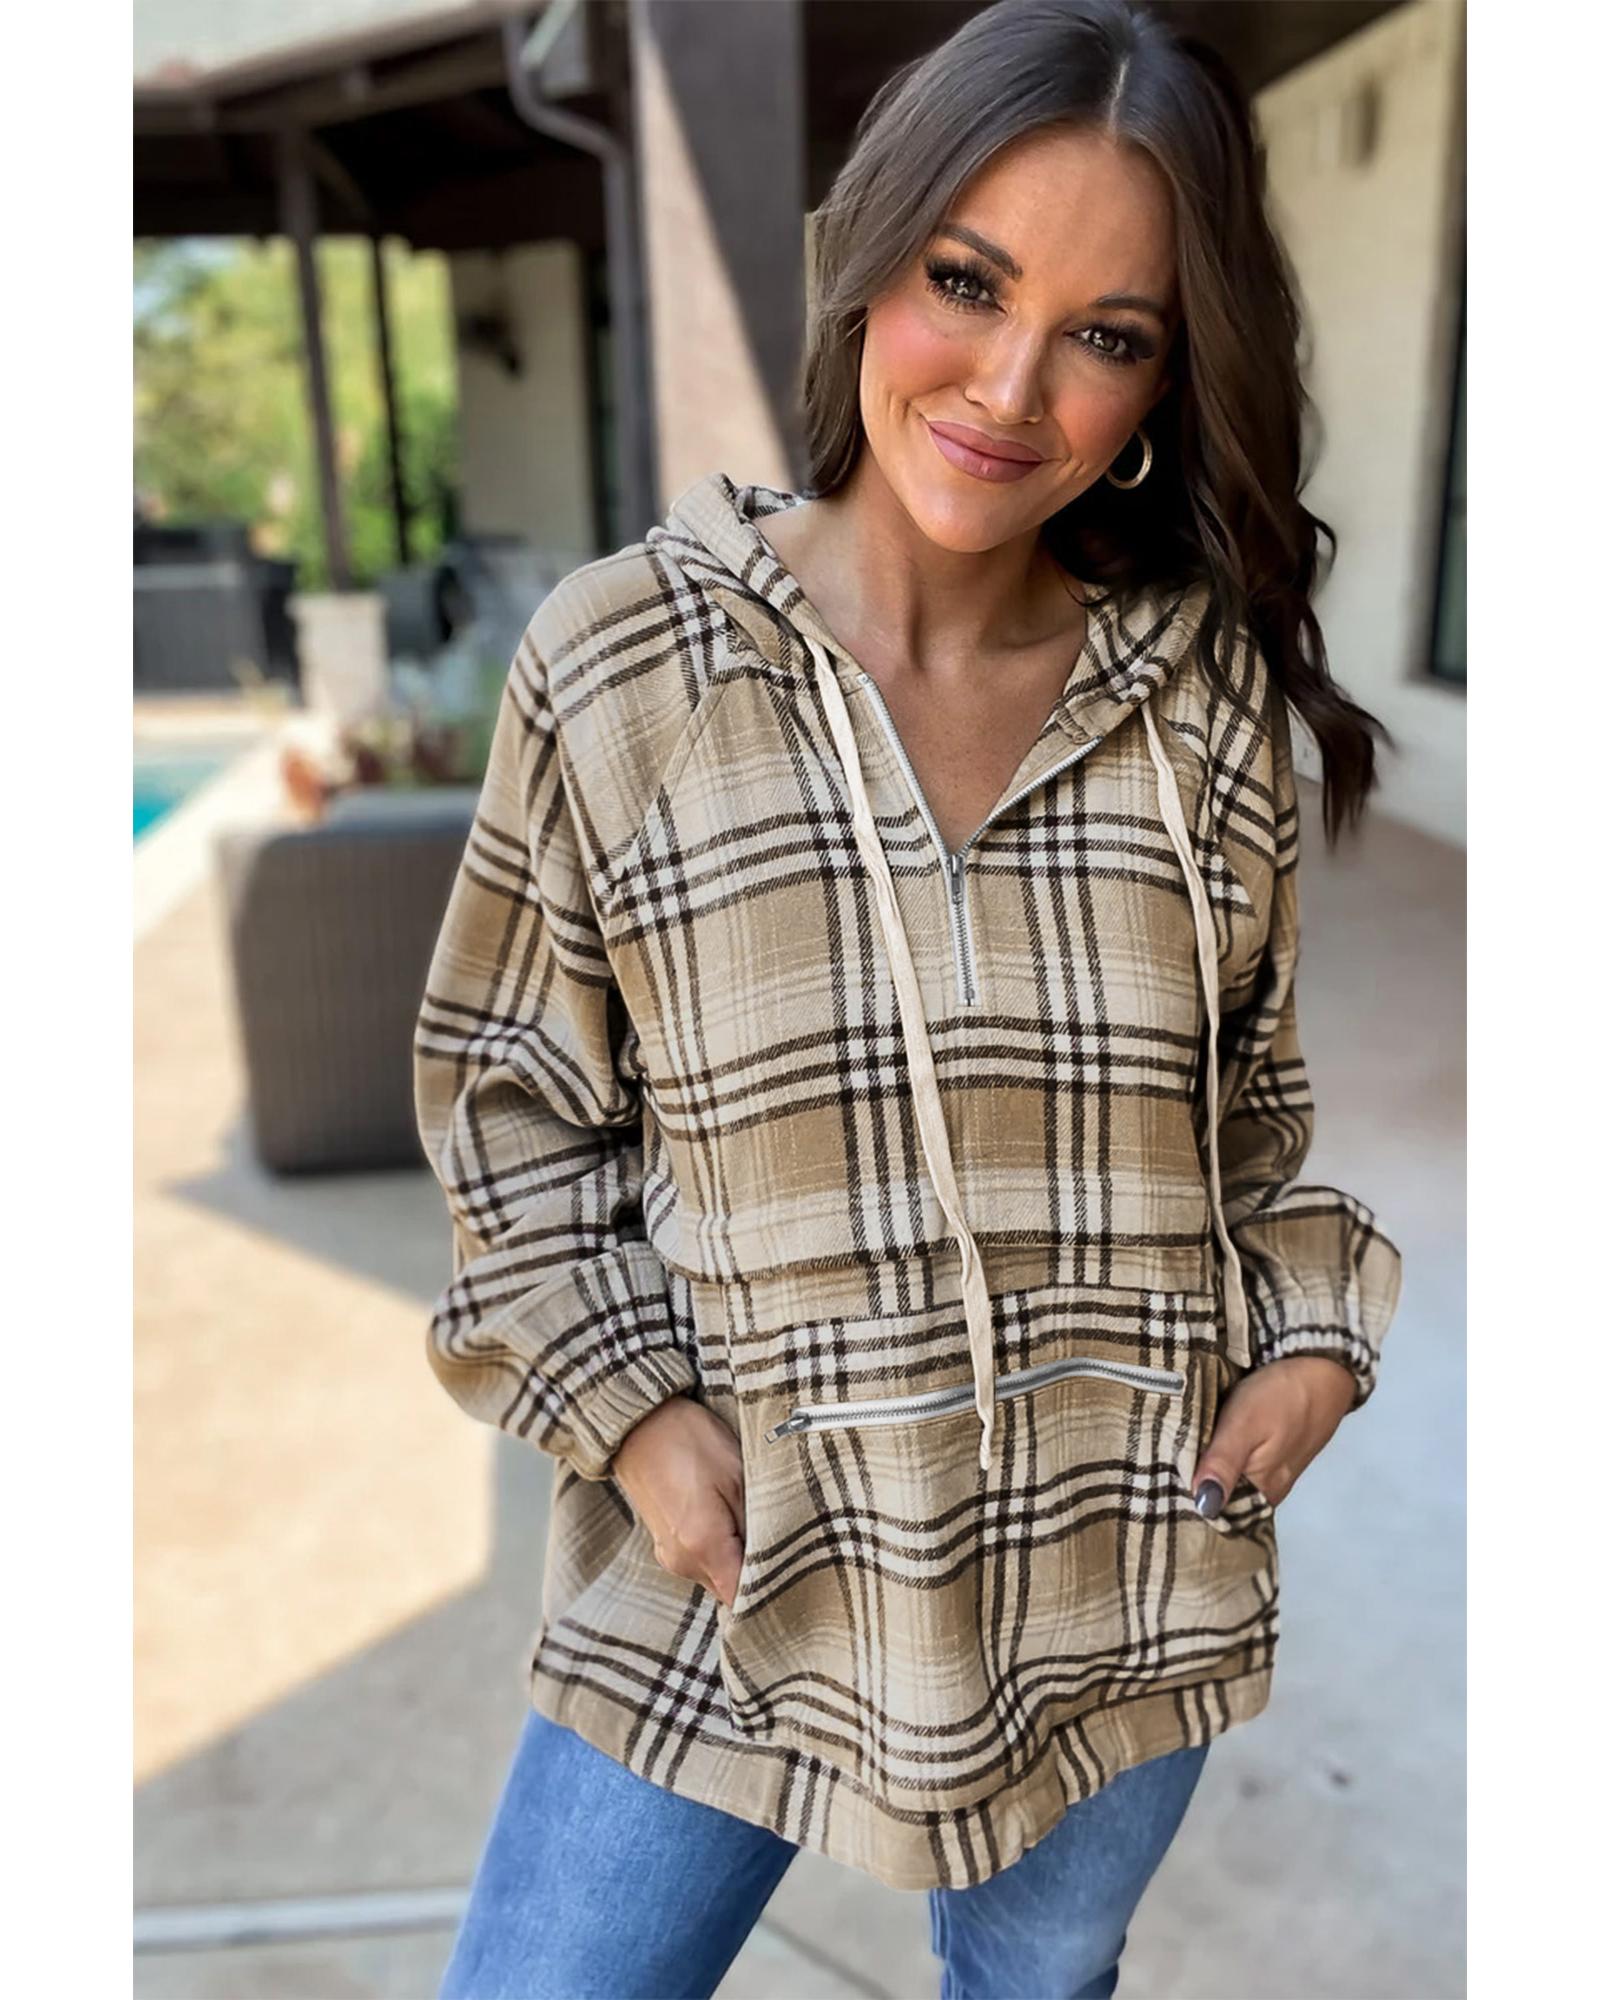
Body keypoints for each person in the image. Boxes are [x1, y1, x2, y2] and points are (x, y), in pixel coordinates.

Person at [413, 2, 1404, 1993]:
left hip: (1111, 1575)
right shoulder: (625, 666)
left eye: (1106, 333)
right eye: (967, 280)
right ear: (863, 258)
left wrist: (1305, 1337)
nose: (1012, 386)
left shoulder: (1196, 704)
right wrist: (638, 1419)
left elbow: (1246, 1128)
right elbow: (506, 1111)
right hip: (737, 1575)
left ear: (1165, 379)